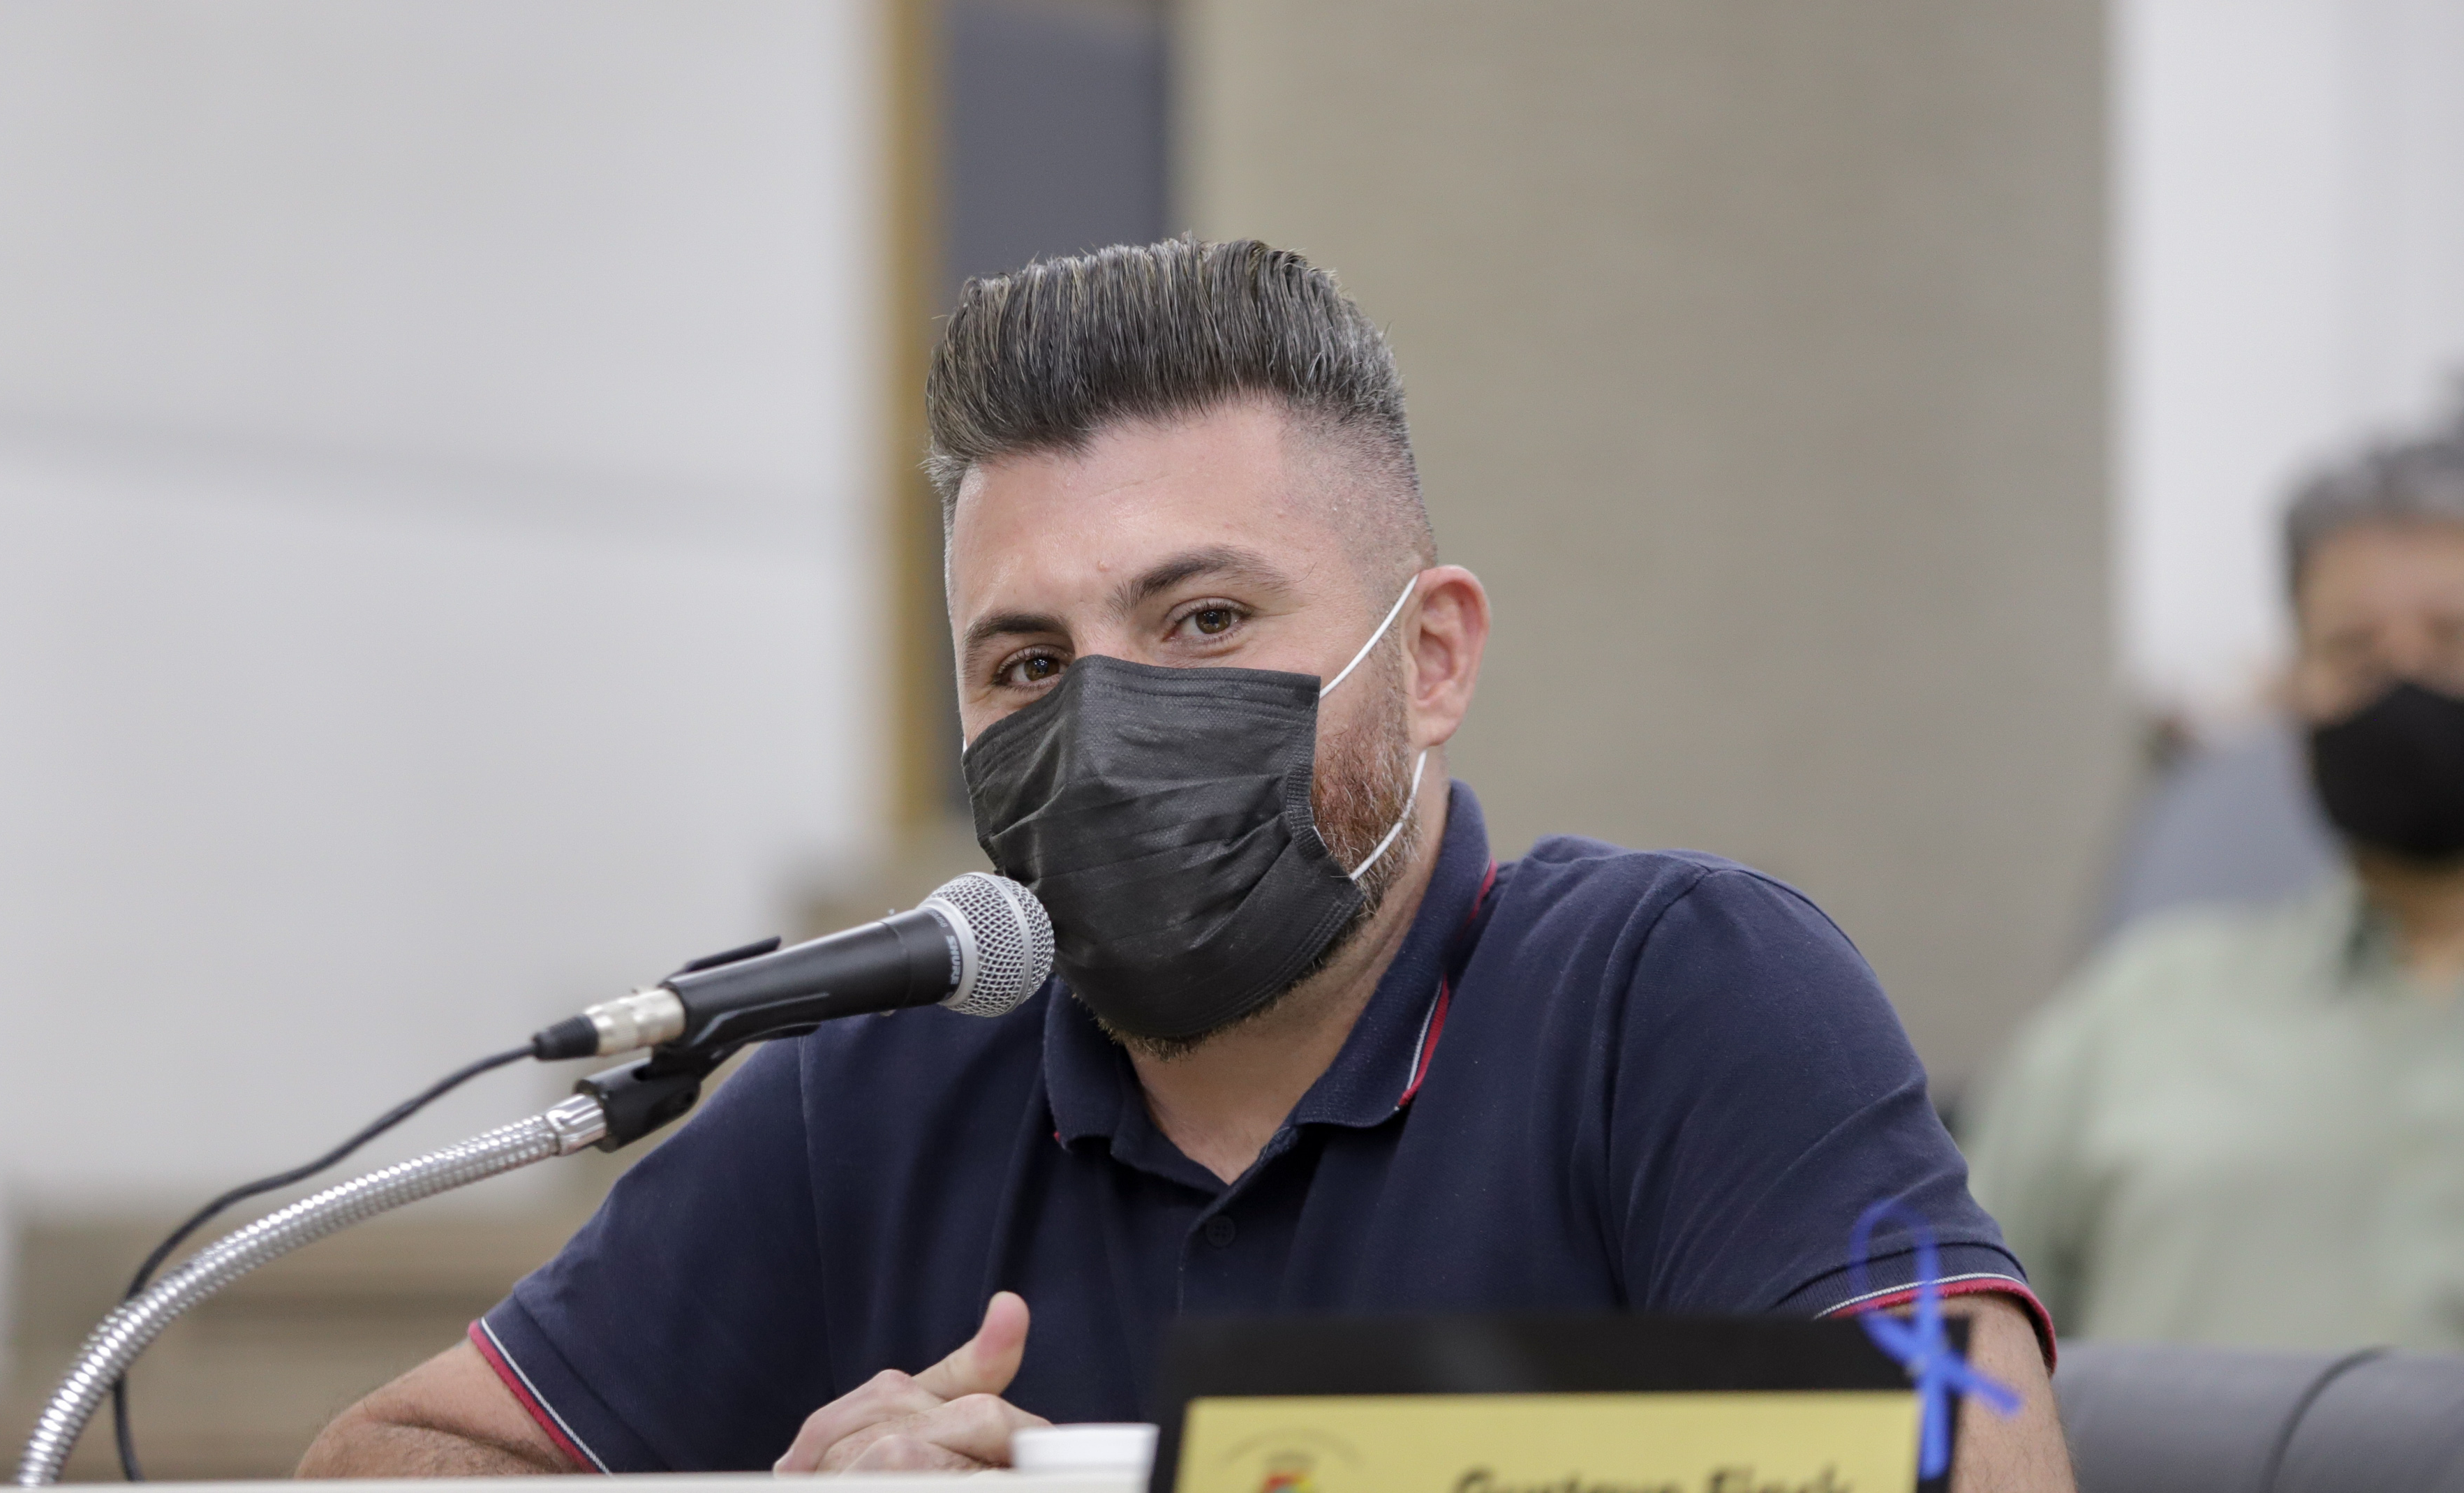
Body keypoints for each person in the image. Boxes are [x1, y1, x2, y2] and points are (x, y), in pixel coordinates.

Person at [299, 238, 2069, 1486]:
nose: (1106, 720)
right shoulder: (876, 1085)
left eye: (1205, 619)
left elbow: (1967, 1450)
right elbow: (388, 1460)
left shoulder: (1675, 987)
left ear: (1430, 655)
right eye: (1026, 663)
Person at [1966, 404, 2464, 1351]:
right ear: (2294, 690)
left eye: (2450, 639)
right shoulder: (2138, 1012)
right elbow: (1947, 1331)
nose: (2402, 682)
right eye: (2353, 649)